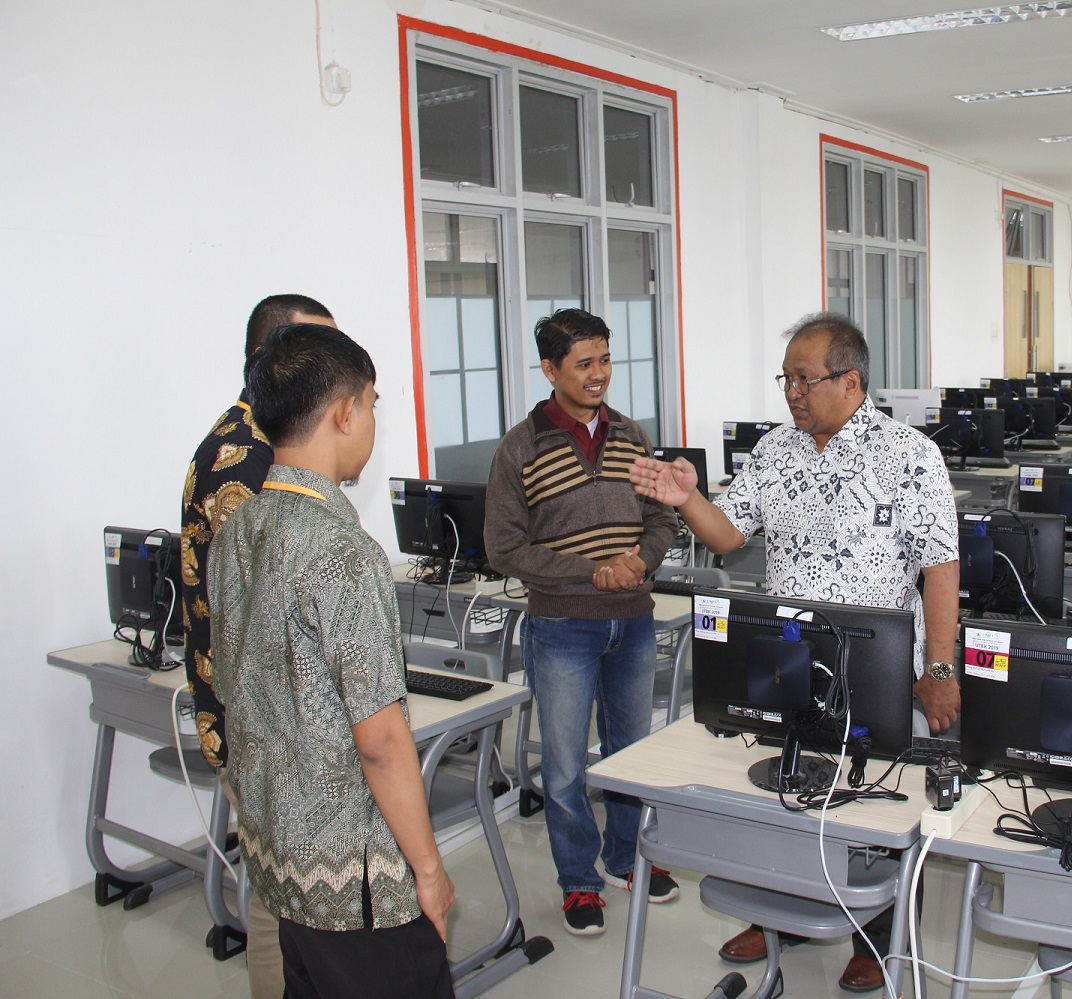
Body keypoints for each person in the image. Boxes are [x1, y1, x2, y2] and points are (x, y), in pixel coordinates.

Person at [630, 312, 960, 994]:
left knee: (877, 800)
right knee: (782, 781)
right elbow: (728, 537)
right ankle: (772, 912)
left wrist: (938, 668)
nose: (792, 392)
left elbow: (941, 566)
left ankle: (877, 933)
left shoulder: (909, 453)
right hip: (785, 657)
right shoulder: (775, 451)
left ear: (852, 380)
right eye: (787, 378)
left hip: (874, 661)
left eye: (805, 379)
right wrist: (688, 497)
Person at [209, 323, 455, 999]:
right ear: (345, 412)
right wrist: (428, 869)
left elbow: (233, 681)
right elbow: (379, 741)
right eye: (373, 403)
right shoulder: (343, 553)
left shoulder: (236, 531)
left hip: (281, 861)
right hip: (358, 878)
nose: (373, 419)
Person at [484, 308, 682, 936]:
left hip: (632, 619)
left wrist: (638, 562)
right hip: (563, 623)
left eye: (605, 361)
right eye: (584, 364)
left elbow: (663, 519)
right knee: (566, 764)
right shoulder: (520, 446)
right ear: (550, 369)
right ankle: (579, 882)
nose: (599, 375)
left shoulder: (630, 435)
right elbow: (504, 547)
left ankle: (628, 859)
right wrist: (589, 572)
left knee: (633, 752)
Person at [179, 293, 335, 999]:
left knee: (288, 890)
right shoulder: (244, 460)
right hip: (261, 722)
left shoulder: (257, 437)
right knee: (278, 899)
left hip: (262, 712)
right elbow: (263, 614)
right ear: (276, 358)